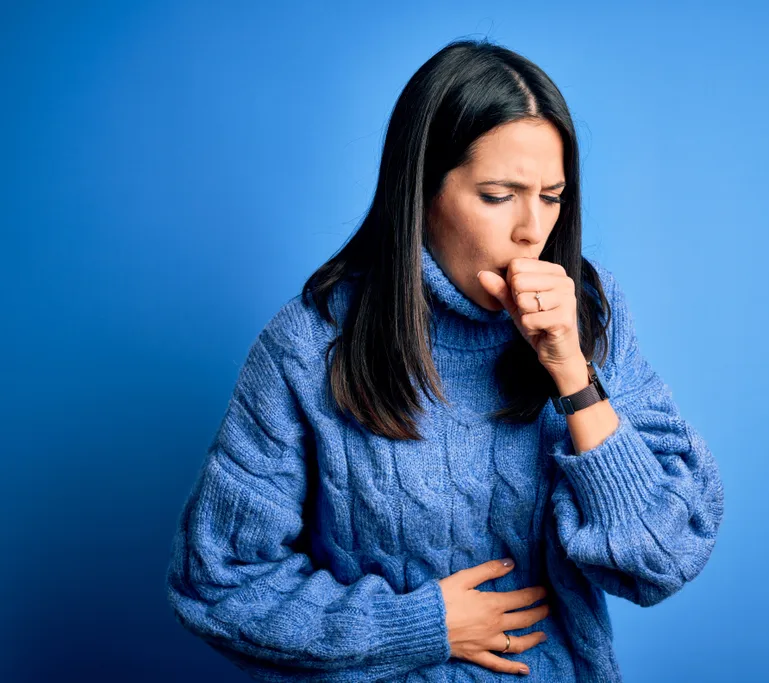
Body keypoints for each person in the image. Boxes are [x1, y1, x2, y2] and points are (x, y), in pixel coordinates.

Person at [165, 38, 725, 682]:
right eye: (498, 195)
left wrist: (572, 374)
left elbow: (666, 555)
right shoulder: (308, 346)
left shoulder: (590, 317)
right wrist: (421, 626)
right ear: (423, 190)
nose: (531, 229)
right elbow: (216, 584)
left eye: (552, 195)